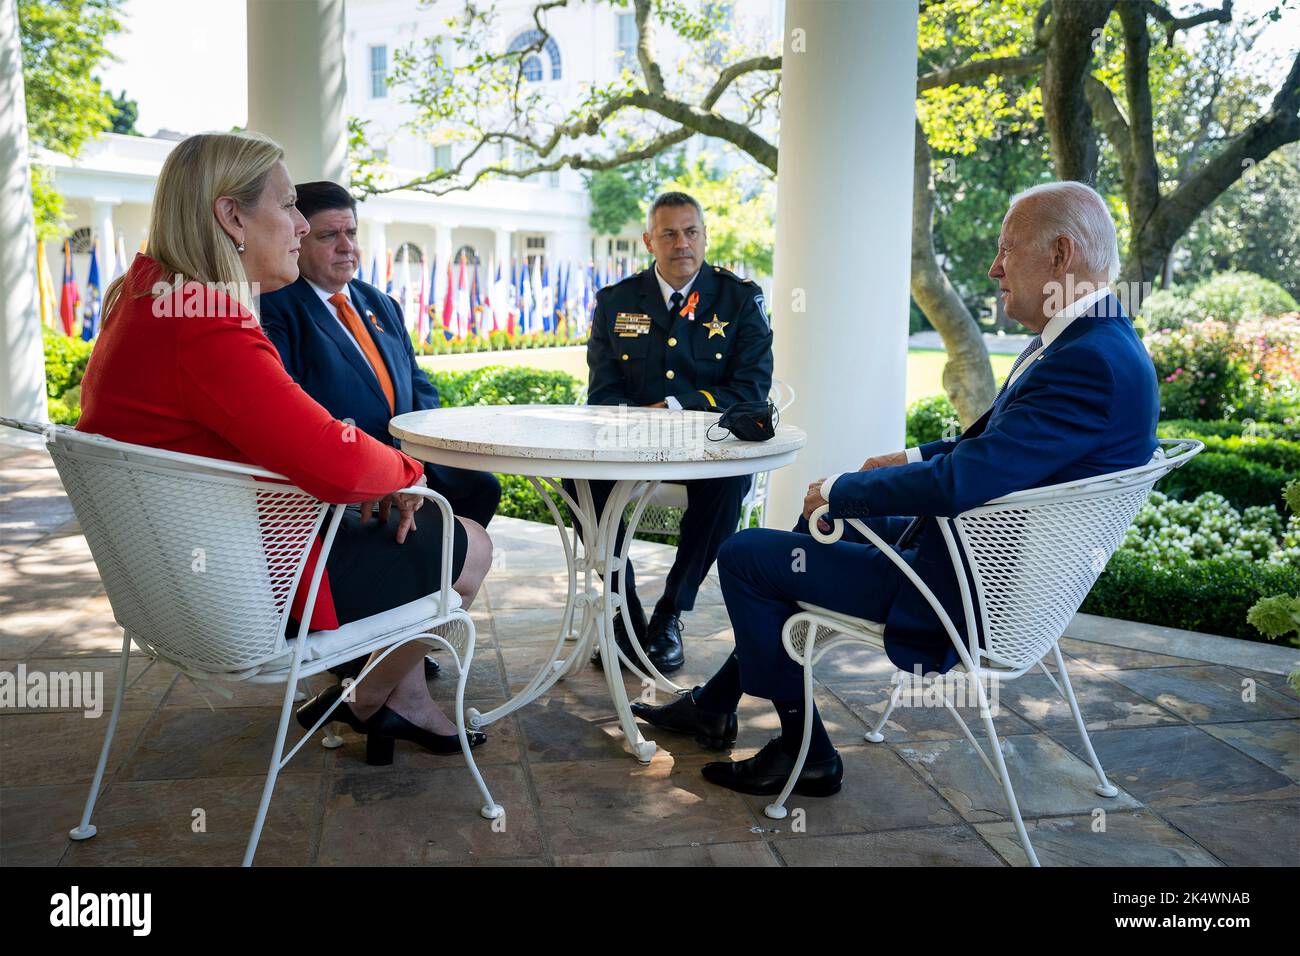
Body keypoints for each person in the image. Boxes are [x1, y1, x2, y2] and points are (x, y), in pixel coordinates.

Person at [633, 181, 1159, 798]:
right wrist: (900, 461)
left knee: (747, 557)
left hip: (959, 593)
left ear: (1061, 255)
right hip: (981, 563)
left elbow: (967, 479)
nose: (994, 268)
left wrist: (847, 488)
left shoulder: (1085, 360)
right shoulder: (1095, 342)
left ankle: (804, 749)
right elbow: (995, 453)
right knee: (812, 535)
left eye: (1006, 249)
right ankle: (718, 705)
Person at [77, 131, 494, 766]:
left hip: (176, 584)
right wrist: (409, 474)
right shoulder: (205, 323)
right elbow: (336, 457)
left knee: (428, 532)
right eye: (289, 205)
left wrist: (385, 478)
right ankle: (372, 697)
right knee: (470, 544)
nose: (301, 224)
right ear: (231, 216)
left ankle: (384, 695)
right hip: (244, 595)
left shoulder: (146, 298)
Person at [258, 181, 502, 679]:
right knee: (421, 528)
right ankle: (360, 647)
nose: (347, 246)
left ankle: (407, 628)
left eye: (351, 231)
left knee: (480, 487)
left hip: (406, 462)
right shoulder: (278, 307)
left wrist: (422, 453)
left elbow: (416, 382)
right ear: (298, 236)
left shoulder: (379, 302)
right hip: (347, 476)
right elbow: (295, 404)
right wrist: (384, 470)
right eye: (329, 236)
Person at [575, 191, 774, 675]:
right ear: (649, 240)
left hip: (707, 448)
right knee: (575, 481)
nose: (681, 243)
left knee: (728, 486)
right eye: (669, 234)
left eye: (691, 232)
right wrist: (637, 426)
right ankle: (624, 611)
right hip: (631, 447)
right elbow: (602, 394)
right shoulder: (616, 301)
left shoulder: (739, 299)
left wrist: (673, 407)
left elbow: (749, 390)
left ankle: (668, 615)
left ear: (704, 237)